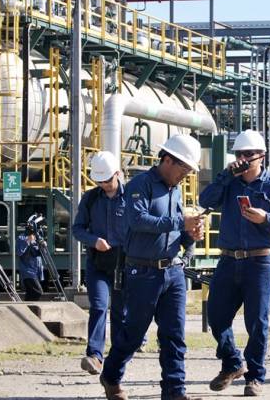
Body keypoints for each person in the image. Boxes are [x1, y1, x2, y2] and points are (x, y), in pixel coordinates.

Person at [100, 135, 204, 400]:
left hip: (173, 271)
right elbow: (138, 221)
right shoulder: (140, 185)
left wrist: (190, 236)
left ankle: (175, 391)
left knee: (174, 335)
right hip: (143, 272)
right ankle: (111, 375)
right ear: (167, 160)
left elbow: (175, 228)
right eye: (184, 169)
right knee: (134, 333)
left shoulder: (175, 190)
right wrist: (181, 222)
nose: (186, 175)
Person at [200, 129, 270, 397]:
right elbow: (204, 200)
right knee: (217, 316)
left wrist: (266, 218)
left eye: (248, 155)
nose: (243, 159)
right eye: (239, 154)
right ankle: (233, 362)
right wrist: (224, 175)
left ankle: (254, 376)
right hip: (229, 259)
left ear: (261, 157)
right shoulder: (229, 183)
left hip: (260, 260)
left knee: (256, 322)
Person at [73, 151, 128, 375]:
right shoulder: (90, 198)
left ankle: (116, 358)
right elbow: (77, 229)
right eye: (100, 181)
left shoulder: (132, 196)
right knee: (98, 306)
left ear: (117, 174)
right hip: (98, 262)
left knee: (120, 312)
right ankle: (95, 355)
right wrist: (94, 241)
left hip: (124, 262)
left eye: (107, 180)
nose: (104, 185)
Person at [16, 231, 44, 301]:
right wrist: (28, 240)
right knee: (38, 292)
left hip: (36, 270)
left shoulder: (37, 237)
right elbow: (19, 252)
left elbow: (39, 253)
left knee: (30, 293)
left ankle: (26, 309)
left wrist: (43, 246)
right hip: (27, 270)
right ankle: (29, 308)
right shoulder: (21, 238)